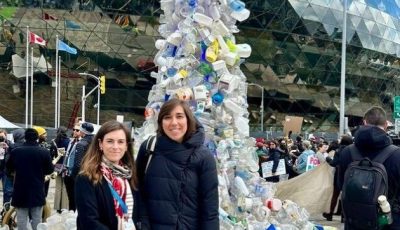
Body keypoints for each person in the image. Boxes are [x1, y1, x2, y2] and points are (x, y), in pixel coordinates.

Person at [134, 98, 219, 229]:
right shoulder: (149, 148)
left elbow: (210, 210)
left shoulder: (203, 157)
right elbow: (138, 191)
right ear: (161, 122)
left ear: (188, 120)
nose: (174, 123)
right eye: (167, 117)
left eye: (179, 116)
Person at [339, 106, 400, 229]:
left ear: (364, 122)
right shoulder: (397, 154)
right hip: (388, 223)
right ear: (386, 125)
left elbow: (340, 184)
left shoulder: (347, 152)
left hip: (354, 221)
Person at [75, 120, 137, 229]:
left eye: (121, 142)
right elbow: (89, 221)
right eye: (110, 141)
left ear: (126, 146)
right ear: (100, 144)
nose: (115, 146)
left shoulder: (130, 176)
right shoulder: (86, 177)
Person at [6, 128, 53, 230]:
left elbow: (8, 169)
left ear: (25, 137)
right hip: (37, 190)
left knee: (22, 221)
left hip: (20, 190)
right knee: (37, 220)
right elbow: (50, 170)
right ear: (37, 138)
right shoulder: (44, 152)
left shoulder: (16, 151)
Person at [323, 135, 353, 221]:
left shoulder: (339, 150)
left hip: (339, 175)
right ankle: (343, 216)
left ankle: (330, 214)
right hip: (350, 175)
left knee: (335, 195)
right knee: (346, 196)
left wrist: (328, 158)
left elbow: (334, 163)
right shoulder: (353, 150)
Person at [50, 126, 70, 212]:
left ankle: (57, 206)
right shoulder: (69, 142)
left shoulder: (54, 142)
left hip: (57, 166)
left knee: (58, 187)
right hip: (65, 166)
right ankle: (64, 207)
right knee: (65, 187)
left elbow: (51, 154)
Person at [63, 123, 82, 211]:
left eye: (77, 130)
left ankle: (75, 213)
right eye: (74, 129)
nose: (74, 131)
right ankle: (71, 211)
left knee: (76, 196)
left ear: (82, 132)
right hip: (67, 172)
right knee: (70, 195)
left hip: (76, 173)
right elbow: (68, 155)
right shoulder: (71, 141)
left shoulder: (82, 143)